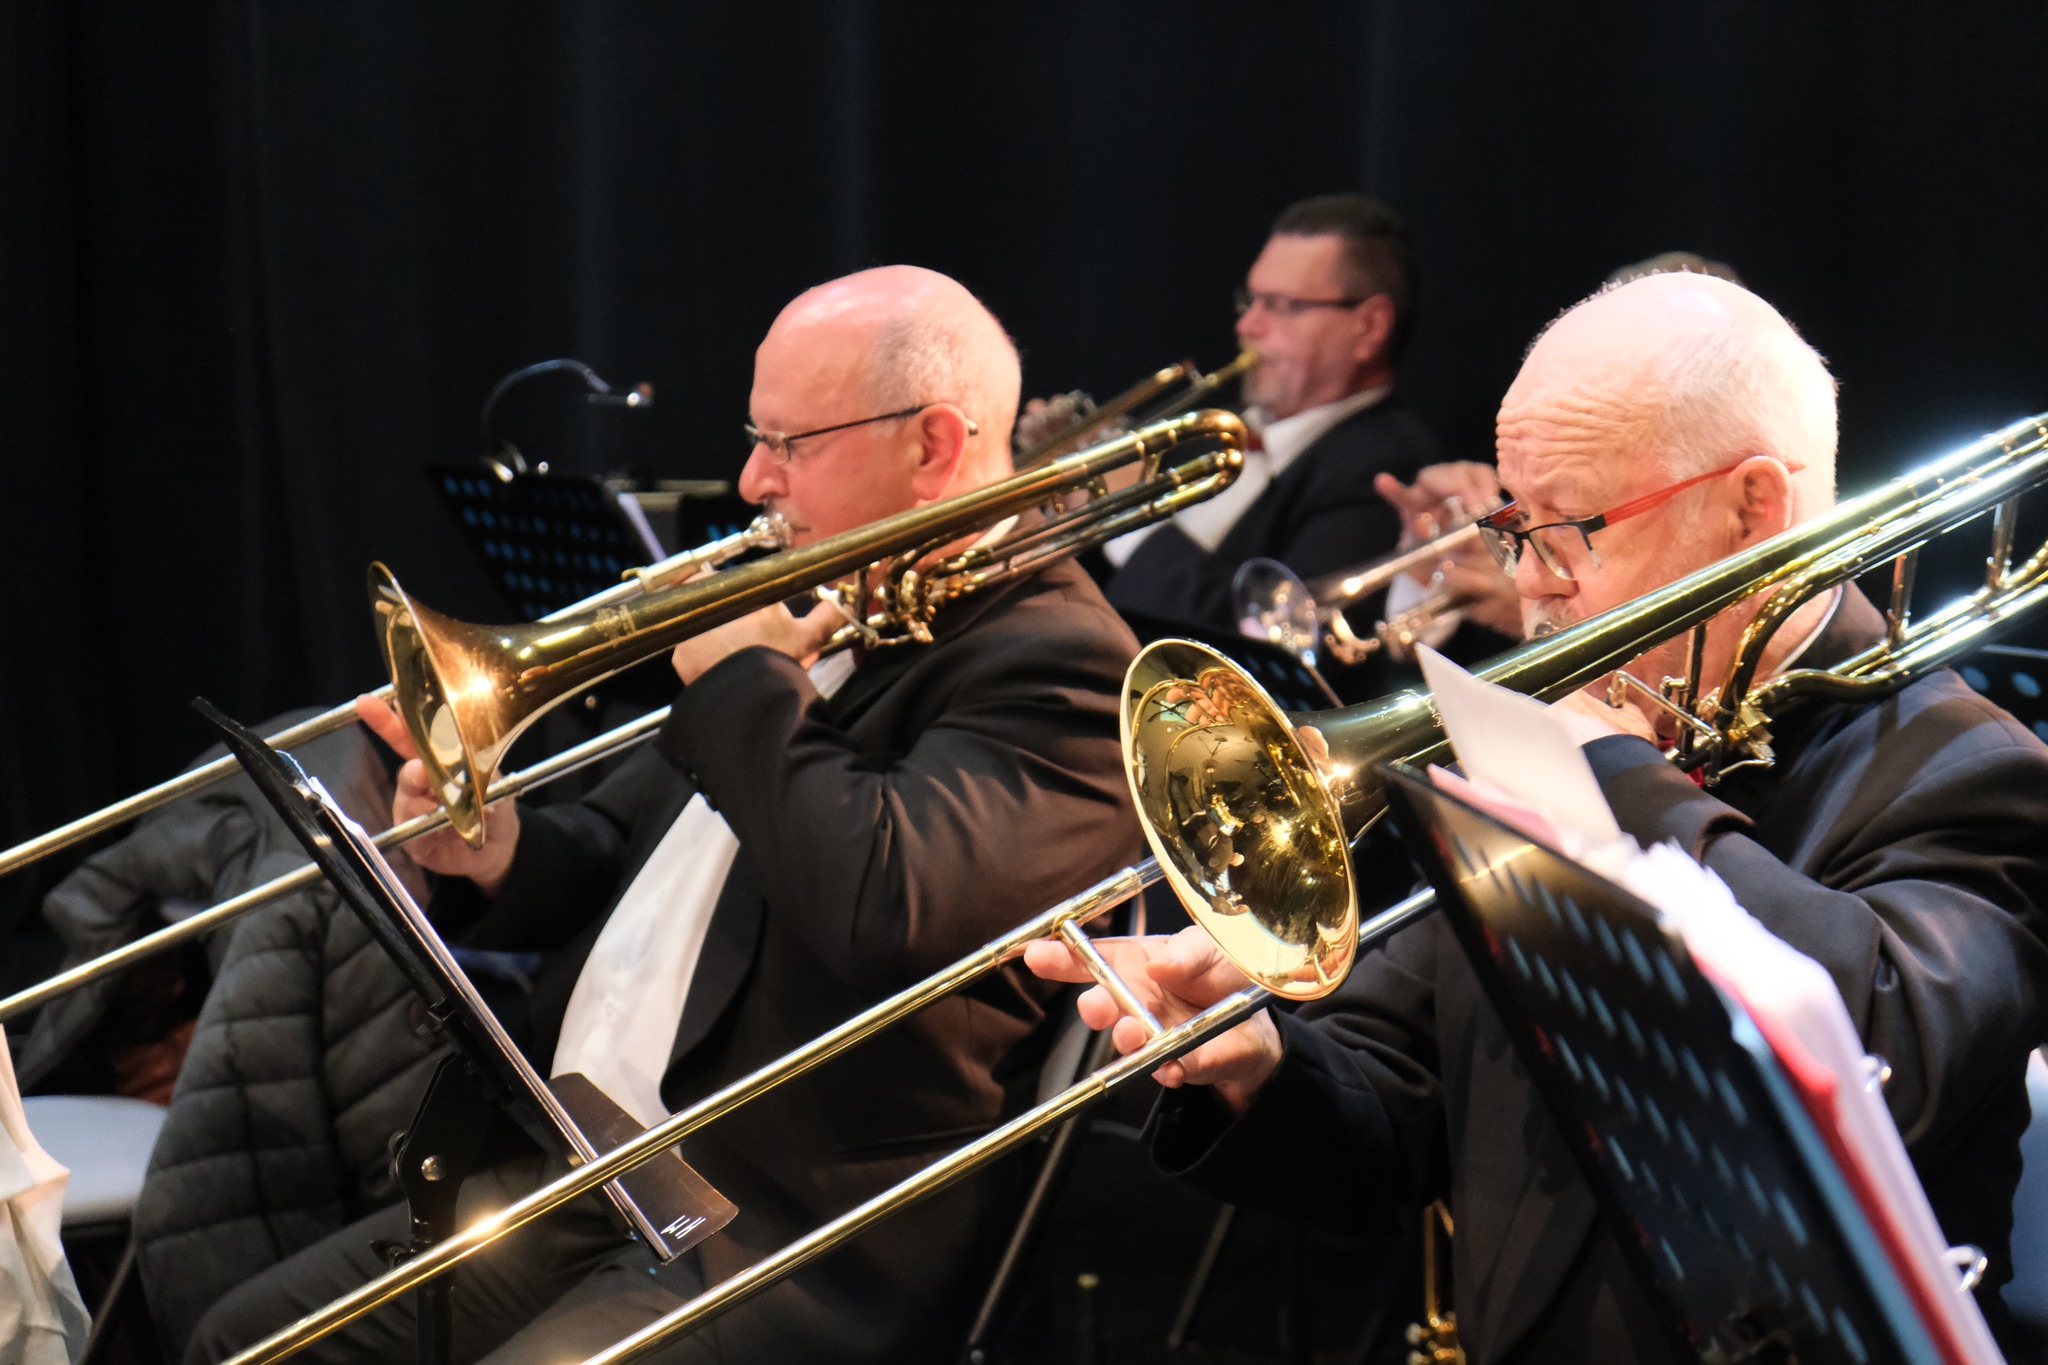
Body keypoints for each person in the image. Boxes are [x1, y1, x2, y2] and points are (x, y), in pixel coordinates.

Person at [1028, 272, 2048, 1360]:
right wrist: (1253, 1065)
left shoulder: (1977, 770)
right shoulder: (1550, 751)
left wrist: (1617, 782)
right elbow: (1399, 1096)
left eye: (1567, 529)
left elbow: (1883, 1063)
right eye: (1513, 526)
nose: (1529, 590)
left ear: (1754, 506)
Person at [185, 266, 1147, 1365]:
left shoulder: (1063, 665)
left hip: (779, 1232)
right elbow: (623, 849)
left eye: (787, 444)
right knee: (238, 1341)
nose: (750, 480)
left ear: (931, 446)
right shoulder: (836, 601)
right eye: (755, 437)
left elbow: (885, 907)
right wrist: (495, 854)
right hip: (595, 1170)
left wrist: (743, 686)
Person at [1097, 194, 1450, 633]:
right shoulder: (1212, 429)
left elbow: (1282, 633)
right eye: (1251, 301)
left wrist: (1129, 518)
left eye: (1282, 305)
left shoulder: (1388, 466)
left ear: (1370, 326)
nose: (1247, 326)